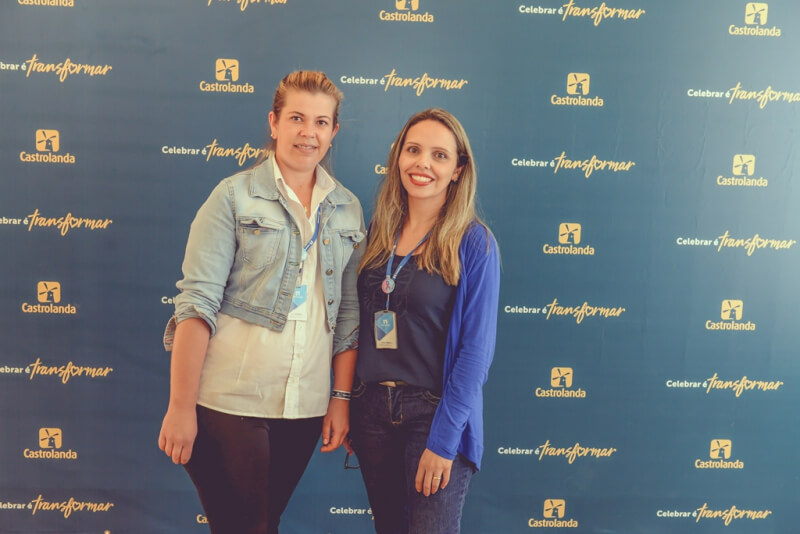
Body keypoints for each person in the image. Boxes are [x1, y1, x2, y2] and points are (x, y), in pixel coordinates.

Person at [157, 70, 365, 534]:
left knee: (265, 523)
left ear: (334, 131)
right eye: (296, 118)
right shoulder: (232, 197)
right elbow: (196, 305)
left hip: (304, 406)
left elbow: (348, 317)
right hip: (230, 400)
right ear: (274, 123)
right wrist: (181, 406)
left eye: (321, 122)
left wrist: (340, 399)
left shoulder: (347, 208)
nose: (308, 132)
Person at [349, 108, 500, 533]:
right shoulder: (378, 231)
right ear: (398, 157)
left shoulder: (474, 243)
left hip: (434, 416)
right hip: (372, 411)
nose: (423, 164)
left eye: (439, 155)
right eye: (413, 150)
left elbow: (475, 354)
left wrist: (444, 441)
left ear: (458, 170)